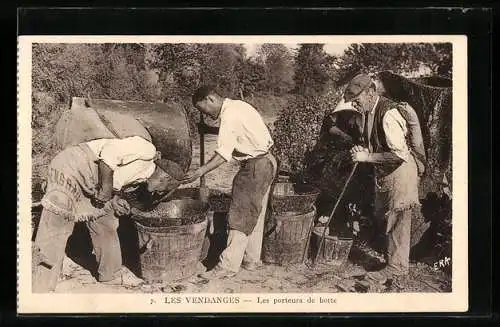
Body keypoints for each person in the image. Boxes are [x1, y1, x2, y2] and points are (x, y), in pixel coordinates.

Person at [33, 135, 180, 292]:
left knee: (106, 221)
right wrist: (106, 190)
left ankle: (110, 276)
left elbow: (113, 182)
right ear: (165, 177)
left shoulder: (141, 179)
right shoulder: (147, 150)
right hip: (73, 167)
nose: (158, 193)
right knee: (56, 226)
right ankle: (41, 287)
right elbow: (109, 154)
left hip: (94, 182)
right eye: (162, 190)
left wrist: (114, 199)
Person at [181, 85, 277, 280]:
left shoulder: (229, 116)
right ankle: (251, 260)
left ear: (210, 99)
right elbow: (238, 134)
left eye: (203, 109)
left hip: (255, 167)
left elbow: (223, 154)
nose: (205, 114)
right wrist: (208, 129)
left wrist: (200, 170)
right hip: (267, 161)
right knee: (254, 212)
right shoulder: (237, 106)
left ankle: (228, 266)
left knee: (240, 214)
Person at [344, 73, 426, 284]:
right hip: (388, 172)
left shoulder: (388, 113)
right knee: (390, 218)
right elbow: (380, 144)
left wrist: (367, 157)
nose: (355, 103)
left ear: (371, 92)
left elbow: (398, 154)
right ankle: (393, 263)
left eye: (357, 99)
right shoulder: (370, 111)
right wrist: (363, 149)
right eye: (352, 100)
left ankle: (398, 270)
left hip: (401, 171)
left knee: (398, 219)